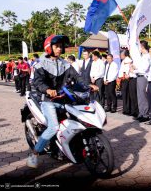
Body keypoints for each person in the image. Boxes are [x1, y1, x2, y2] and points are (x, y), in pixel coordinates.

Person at [26, 35, 98, 168]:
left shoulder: (65, 64)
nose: (59, 49)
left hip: (63, 99)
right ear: (49, 48)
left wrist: (87, 85)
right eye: (56, 46)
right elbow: (38, 82)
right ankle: (34, 154)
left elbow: (77, 77)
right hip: (47, 100)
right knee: (53, 127)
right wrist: (47, 90)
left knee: (77, 119)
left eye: (61, 46)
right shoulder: (41, 64)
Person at [131, 40, 151, 123]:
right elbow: (140, 67)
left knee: (143, 96)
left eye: (139, 46)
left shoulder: (147, 56)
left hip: (143, 77)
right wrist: (135, 67)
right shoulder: (142, 56)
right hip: (139, 77)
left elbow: (144, 69)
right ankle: (141, 113)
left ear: (142, 47)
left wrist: (135, 71)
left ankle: (145, 114)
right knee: (139, 97)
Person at [118, 50, 131, 115]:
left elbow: (126, 70)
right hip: (123, 79)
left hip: (125, 79)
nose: (120, 55)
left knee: (126, 94)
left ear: (124, 54)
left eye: (121, 54)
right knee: (125, 94)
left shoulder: (127, 60)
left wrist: (123, 75)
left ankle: (127, 109)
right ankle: (125, 108)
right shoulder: (124, 60)